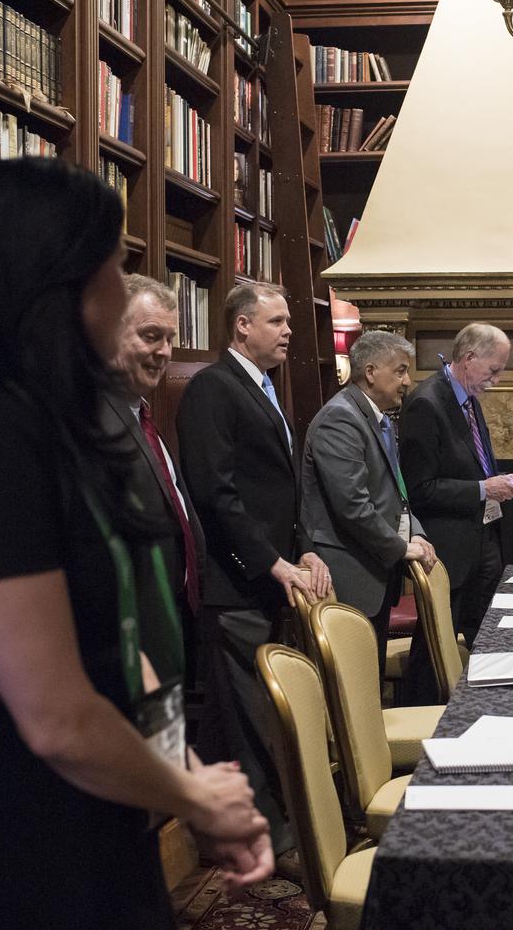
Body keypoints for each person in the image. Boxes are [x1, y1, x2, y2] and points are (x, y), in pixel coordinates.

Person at [0, 158, 270, 930]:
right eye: (112, 263)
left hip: (90, 818)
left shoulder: (58, 420)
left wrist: (176, 764)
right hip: (10, 845)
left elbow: (110, 639)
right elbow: (53, 712)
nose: (124, 287)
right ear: (58, 283)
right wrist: (193, 794)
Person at [176, 281, 331, 871]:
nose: (289, 330)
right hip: (235, 581)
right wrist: (272, 562)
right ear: (242, 326)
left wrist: (306, 550)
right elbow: (217, 495)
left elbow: (279, 491)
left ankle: (271, 822)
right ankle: (273, 839)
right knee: (249, 718)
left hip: (272, 575)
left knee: (265, 710)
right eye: (277, 321)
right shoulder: (213, 388)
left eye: (289, 320)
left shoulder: (265, 385)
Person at [398, 323, 513, 703]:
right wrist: (482, 489)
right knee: (433, 652)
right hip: (446, 551)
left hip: (481, 540)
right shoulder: (427, 403)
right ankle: (422, 724)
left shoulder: (467, 399)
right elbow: (419, 489)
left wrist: (499, 479)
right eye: (494, 370)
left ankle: (481, 708)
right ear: (469, 359)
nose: (498, 380)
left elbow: (471, 464)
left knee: (485, 635)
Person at [299, 329, 437, 674]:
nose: (408, 381)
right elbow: (352, 506)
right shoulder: (341, 418)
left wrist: (415, 533)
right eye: (400, 370)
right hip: (349, 572)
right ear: (371, 372)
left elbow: (397, 489)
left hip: (372, 567)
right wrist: (401, 547)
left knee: (367, 679)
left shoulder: (375, 417)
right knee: (352, 686)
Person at [101, 274, 206, 684]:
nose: (164, 352)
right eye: (150, 336)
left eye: (169, 338)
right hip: (127, 648)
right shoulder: (93, 424)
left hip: (169, 625)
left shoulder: (140, 416)